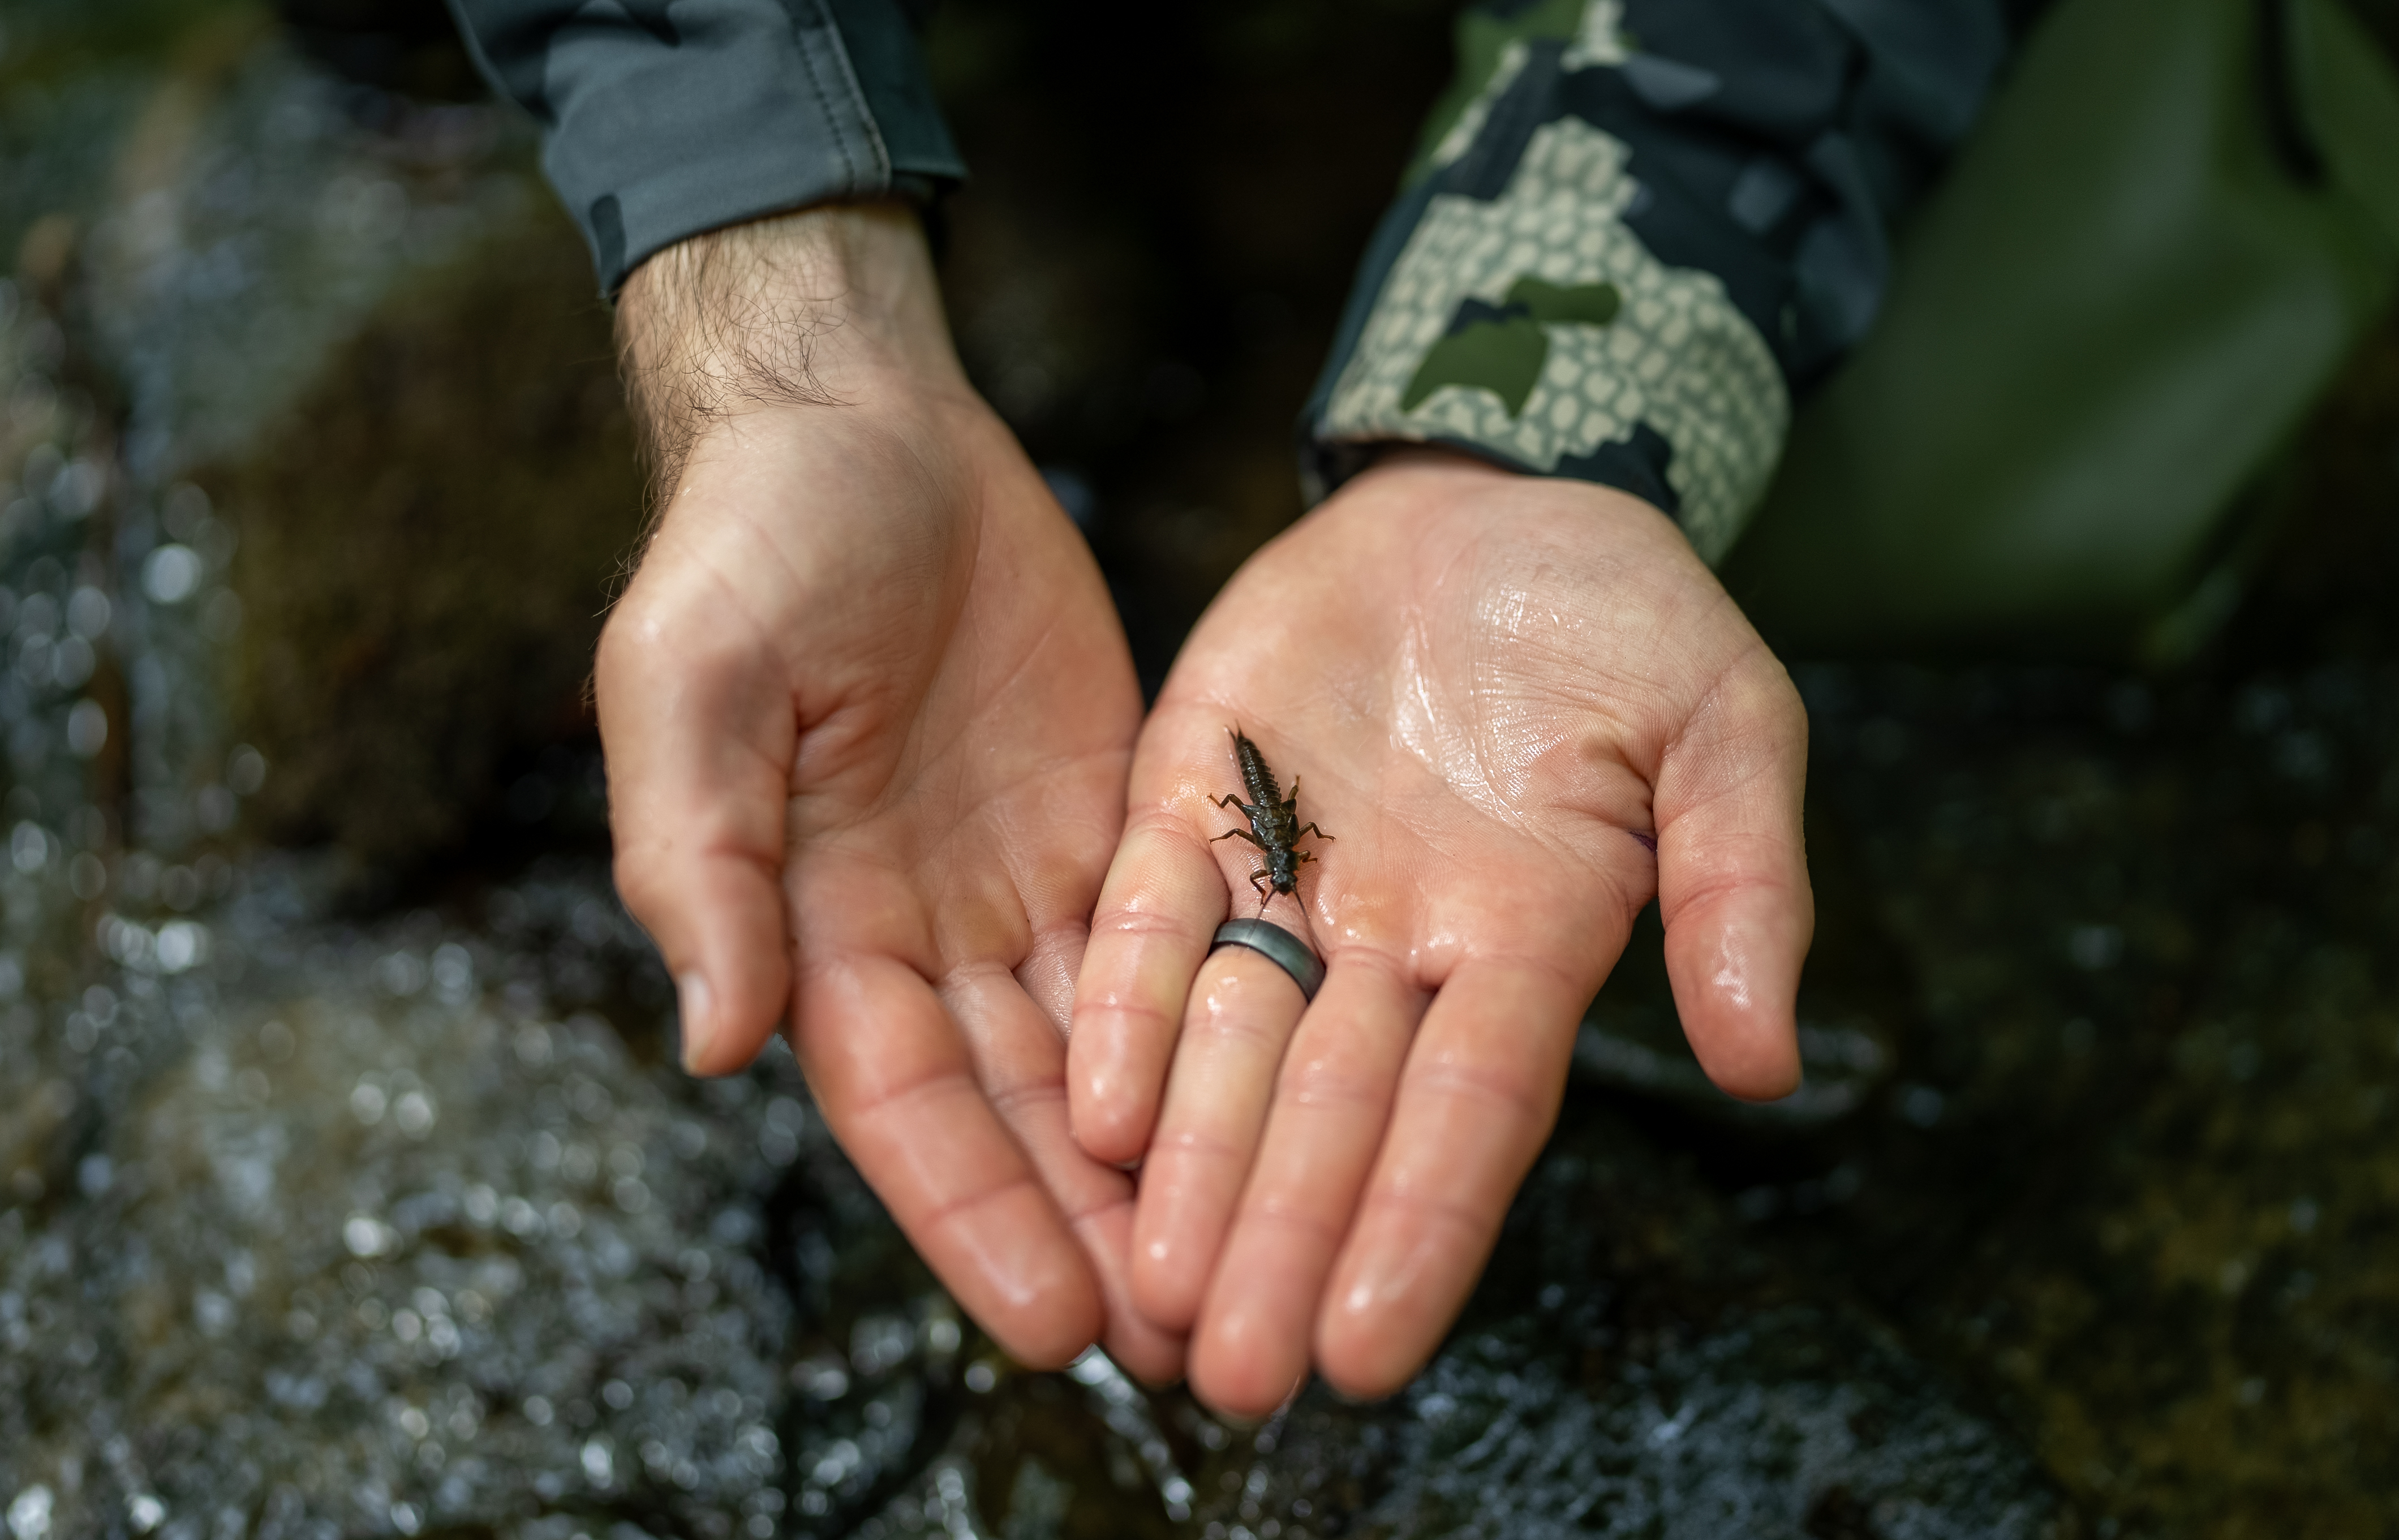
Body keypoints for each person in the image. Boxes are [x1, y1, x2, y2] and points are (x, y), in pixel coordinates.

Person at [443, 0, 2396, 1416]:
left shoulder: (1272, 837)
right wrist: (777, 300)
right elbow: (1255, 837)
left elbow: (1262, 837)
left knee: (1922, 494)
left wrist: (1550, 405)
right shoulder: (1265, 837)